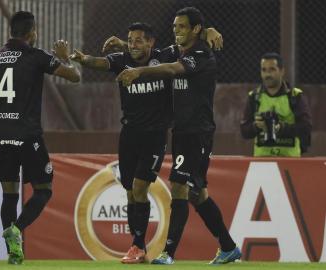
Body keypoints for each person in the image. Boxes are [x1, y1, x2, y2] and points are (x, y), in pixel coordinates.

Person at [116, 7, 241, 265]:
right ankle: (228, 247)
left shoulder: (200, 54)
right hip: (182, 131)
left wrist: (139, 72)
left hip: (198, 132)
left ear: (195, 30)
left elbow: (172, 69)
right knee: (198, 195)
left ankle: (168, 253)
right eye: (174, 27)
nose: (176, 31)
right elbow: (157, 55)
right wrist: (125, 46)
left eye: (182, 27)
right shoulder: (179, 48)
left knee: (179, 187)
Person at [0, 11, 80, 264]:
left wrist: (0, 90)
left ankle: (14, 253)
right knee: (44, 189)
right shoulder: (36, 56)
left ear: (11, 31)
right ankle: (17, 229)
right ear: (32, 32)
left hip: (2, 136)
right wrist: (66, 59)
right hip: (28, 135)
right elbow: (74, 77)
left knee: (9, 195)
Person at [71, 22, 175, 264]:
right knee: (130, 192)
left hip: (155, 135)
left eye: (139, 40)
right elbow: (97, 62)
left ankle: (138, 247)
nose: (133, 44)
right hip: (129, 135)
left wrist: (209, 32)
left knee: (140, 188)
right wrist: (79, 58)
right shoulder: (121, 59)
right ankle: (137, 246)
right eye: (130, 39)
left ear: (151, 42)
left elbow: (190, 48)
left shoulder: (165, 56)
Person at [240, 52, 312, 157]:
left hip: (290, 160)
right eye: (264, 70)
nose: (267, 74)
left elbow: (306, 127)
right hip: (261, 162)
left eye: (272, 69)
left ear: (282, 71)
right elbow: (244, 132)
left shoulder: (295, 96)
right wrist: (256, 126)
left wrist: (281, 128)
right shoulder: (254, 97)